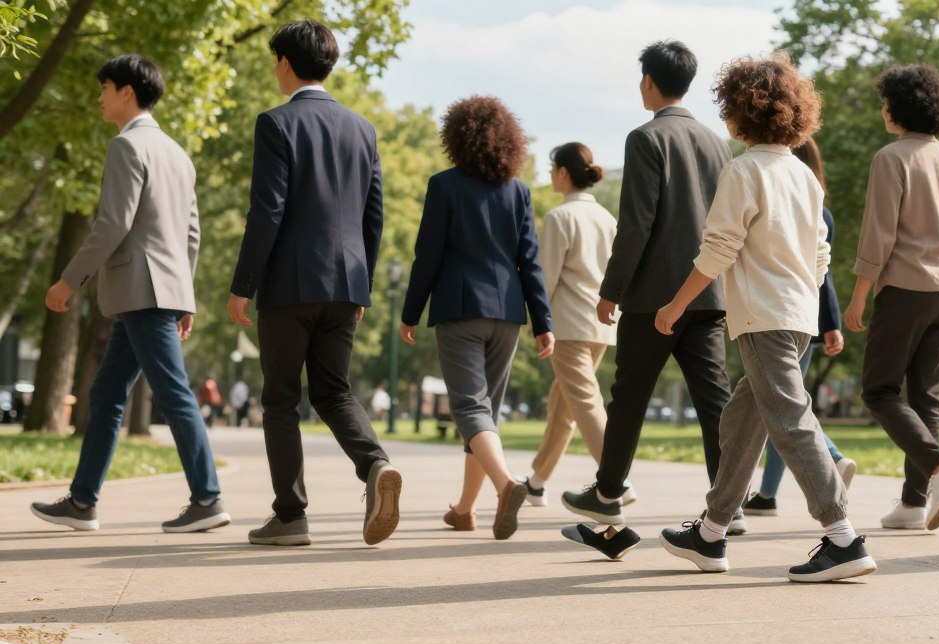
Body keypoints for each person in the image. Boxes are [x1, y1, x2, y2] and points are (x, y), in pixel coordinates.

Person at [655, 53, 875, 582]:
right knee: (743, 419)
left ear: (739, 114)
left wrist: (676, 304)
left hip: (764, 316)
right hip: (795, 313)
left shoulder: (743, 170)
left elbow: (718, 249)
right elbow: (821, 254)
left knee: (790, 421)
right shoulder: (803, 176)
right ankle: (711, 533)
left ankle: (842, 536)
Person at [31, 54, 228, 535]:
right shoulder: (177, 153)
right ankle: (82, 502)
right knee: (106, 394)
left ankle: (207, 497)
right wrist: (185, 297)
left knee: (173, 392)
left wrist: (68, 280)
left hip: (141, 291)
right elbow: (192, 234)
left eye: (104, 88)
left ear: (126, 92)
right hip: (160, 290)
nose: (99, 96)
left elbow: (113, 223)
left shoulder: (126, 147)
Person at [228, 19, 401, 547]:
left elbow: (267, 211)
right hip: (346, 283)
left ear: (284, 63)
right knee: (334, 391)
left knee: (281, 399)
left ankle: (290, 515)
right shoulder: (363, 129)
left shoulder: (276, 124)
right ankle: (375, 465)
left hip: (289, 285)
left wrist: (244, 284)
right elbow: (375, 216)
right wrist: (362, 284)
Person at [560, 40, 735, 559]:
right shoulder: (718, 143)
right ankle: (730, 503)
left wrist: (610, 290)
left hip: (653, 297)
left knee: (630, 395)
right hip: (707, 292)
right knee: (715, 403)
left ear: (650, 82)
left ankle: (609, 491)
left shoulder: (645, 138)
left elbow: (636, 223)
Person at [399, 96, 554, 541]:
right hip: (507, 313)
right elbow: (530, 262)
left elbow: (426, 257)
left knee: (469, 408)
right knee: (484, 413)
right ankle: (465, 510)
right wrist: (543, 322)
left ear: (456, 138)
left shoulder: (444, 186)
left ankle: (507, 487)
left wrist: (411, 312)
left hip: (459, 309)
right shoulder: (519, 191)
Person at [844, 64, 939, 532]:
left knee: (879, 390)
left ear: (899, 108)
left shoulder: (891, 158)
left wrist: (859, 296)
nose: (883, 110)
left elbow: (878, 234)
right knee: (927, 399)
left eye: (885, 103)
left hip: (905, 288)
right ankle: (915, 504)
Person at [741, 137, 857, 516]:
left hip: (776, 315)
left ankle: (833, 459)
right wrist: (832, 323)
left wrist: (834, 322)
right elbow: (822, 273)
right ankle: (767, 494)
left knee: (785, 404)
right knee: (779, 403)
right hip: (806, 319)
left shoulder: (788, 201)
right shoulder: (821, 209)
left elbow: (821, 272)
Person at [519, 143, 617, 513]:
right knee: (563, 406)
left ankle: (616, 480)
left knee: (586, 404)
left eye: (551, 169)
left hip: (568, 327)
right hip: (600, 328)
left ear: (562, 172)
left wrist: (536, 324)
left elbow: (545, 279)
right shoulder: (608, 218)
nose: (549, 176)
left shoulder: (560, 218)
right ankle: (536, 482)